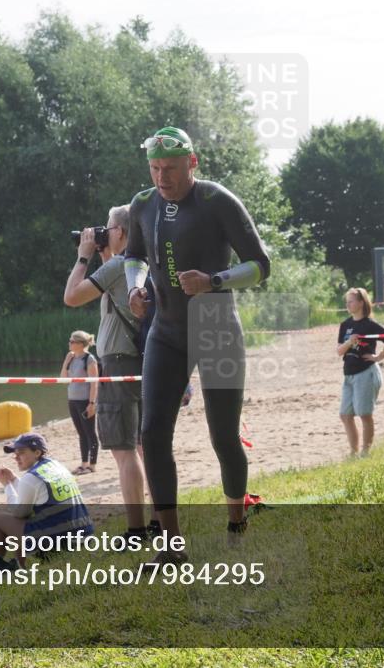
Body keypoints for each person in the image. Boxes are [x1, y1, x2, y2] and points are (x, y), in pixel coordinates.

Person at [124, 126, 271, 555]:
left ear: (193, 162)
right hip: (165, 331)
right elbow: (133, 254)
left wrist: (213, 281)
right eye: (154, 168)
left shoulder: (216, 201)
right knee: (152, 434)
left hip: (217, 327)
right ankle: (171, 544)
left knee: (223, 436)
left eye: (170, 168)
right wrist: (136, 287)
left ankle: (237, 523)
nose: (161, 177)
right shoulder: (143, 204)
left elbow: (261, 266)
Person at [63, 204, 157, 541]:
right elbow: (114, 298)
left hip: (119, 362)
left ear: (119, 231)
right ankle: (158, 520)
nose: (102, 233)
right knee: (148, 445)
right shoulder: (140, 263)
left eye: (106, 228)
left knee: (123, 449)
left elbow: (72, 297)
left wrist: (83, 256)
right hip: (145, 361)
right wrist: (104, 254)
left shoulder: (120, 265)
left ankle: (136, 529)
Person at [0, 432, 93, 572]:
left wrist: (8, 486)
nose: (16, 457)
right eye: (15, 453)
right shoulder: (56, 466)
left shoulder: (31, 478)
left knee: (1, 519)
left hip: (59, 544)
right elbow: (37, 492)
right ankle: (19, 566)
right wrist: (15, 481)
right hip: (83, 537)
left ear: (37, 452)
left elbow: (19, 513)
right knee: (30, 519)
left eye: (21, 452)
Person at [337, 288, 384, 457]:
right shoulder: (346, 325)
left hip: (366, 372)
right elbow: (339, 351)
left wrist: (379, 357)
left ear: (361, 302)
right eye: (347, 301)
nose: (348, 304)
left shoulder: (369, 324)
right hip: (348, 374)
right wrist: (349, 343)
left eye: (351, 301)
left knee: (365, 414)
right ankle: (353, 451)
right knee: (345, 415)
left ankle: (366, 451)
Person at [61, 330, 99, 475]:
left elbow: (94, 383)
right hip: (72, 400)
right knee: (81, 433)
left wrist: (92, 403)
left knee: (90, 433)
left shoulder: (89, 359)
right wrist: (66, 362)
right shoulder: (71, 359)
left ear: (80, 344)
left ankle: (93, 465)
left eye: (72, 341)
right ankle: (84, 464)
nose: (69, 344)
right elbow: (64, 379)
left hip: (85, 401)